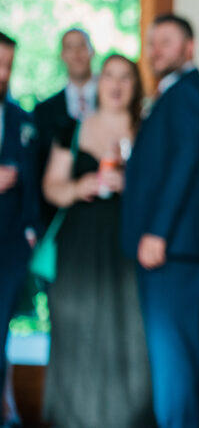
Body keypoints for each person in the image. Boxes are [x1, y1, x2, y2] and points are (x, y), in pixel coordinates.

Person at [121, 15, 199, 428]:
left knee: (174, 364)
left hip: (170, 249)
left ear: (190, 47)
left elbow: (185, 163)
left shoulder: (185, 93)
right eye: (152, 43)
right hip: (186, 249)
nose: (156, 51)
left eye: (166, 42)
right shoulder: (187, 93)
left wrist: (157, 232)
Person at [41, 54, 156, 428]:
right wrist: (79, 186)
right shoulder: (71, 130)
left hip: (127, 251)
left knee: (130, 335)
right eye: (109, 76)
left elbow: (162, 191)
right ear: (99, 83)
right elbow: (51, 187)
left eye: (125, 77)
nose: (116, 84)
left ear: (134, 86)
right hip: (79, 251)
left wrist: (133, 186)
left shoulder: (150, 133)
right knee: (77, 334)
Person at [0, 31, 39, 428]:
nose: (3, 72)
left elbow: (30, 180)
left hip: (10, 245)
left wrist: (31, 231)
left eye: (8, 64)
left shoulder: (20, 118)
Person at [35, 28, 97, 228]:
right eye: (70, 48)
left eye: (81, 46)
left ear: (92, 51)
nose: (77, 53)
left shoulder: (112, 103)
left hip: (103, 212)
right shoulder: (44, 111)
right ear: (62, 56)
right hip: (57, 217)